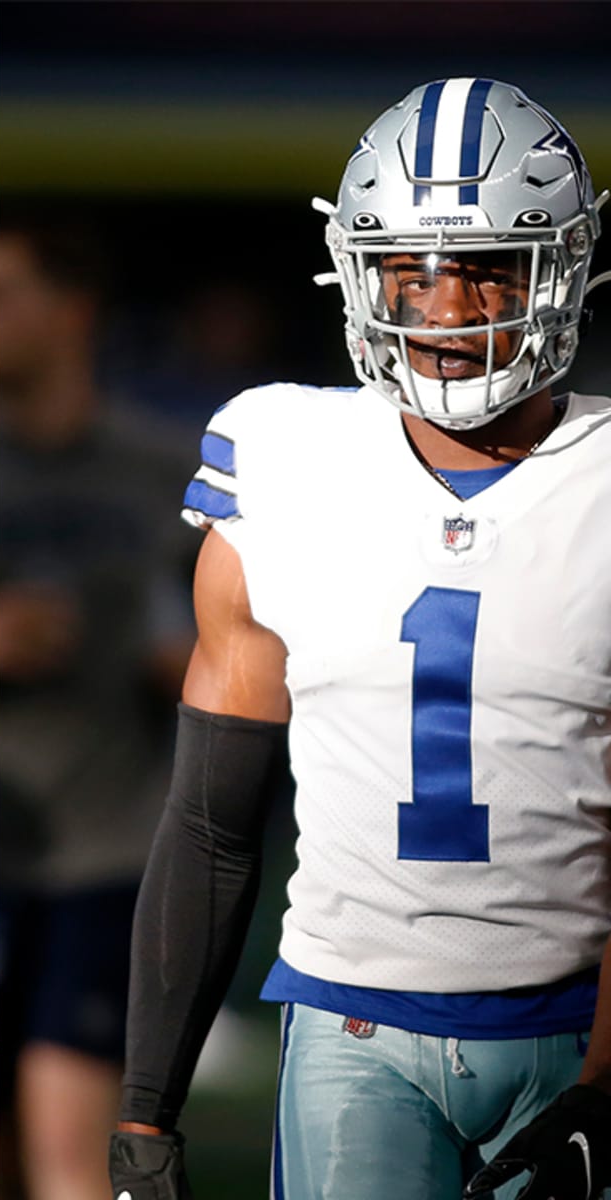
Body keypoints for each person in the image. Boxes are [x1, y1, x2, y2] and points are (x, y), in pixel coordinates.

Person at [109, 79, 611, 1200]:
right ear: (357, 271)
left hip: (573, 1023)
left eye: (487, 264)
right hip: (350, 1026)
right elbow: (209, 820)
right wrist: (146, 1103)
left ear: (562, 268)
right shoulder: (282, 457)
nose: (445, 307)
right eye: (411, 270)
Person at [0, 221, 194, 1200]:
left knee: (67, 1161)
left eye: (4, 292)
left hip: (107, 846)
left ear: (72, 309)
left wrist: (196, 662)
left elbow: (237, 656)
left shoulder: (169, 470)